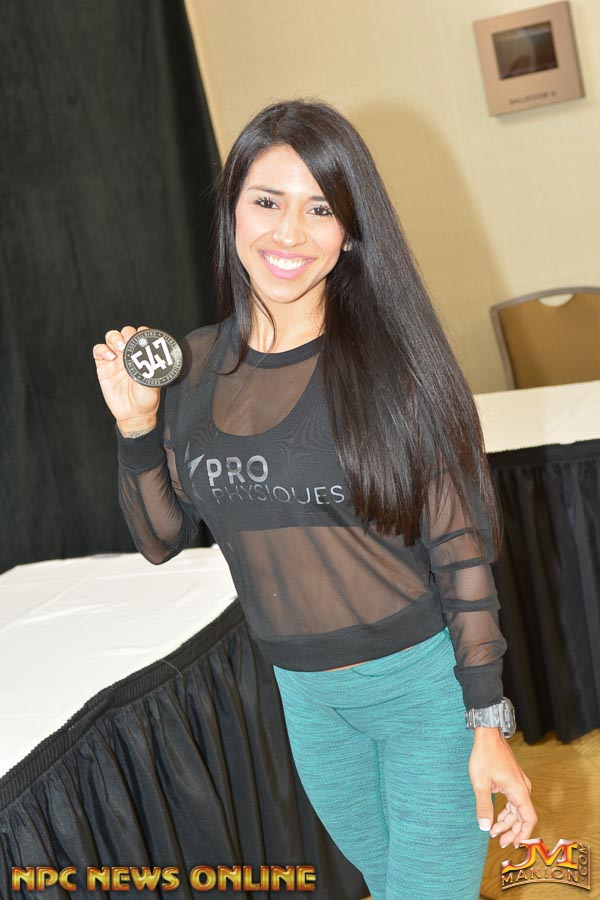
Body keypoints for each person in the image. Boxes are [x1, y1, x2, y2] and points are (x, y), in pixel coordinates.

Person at [93, 99, 536, 900]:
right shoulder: (194, 366)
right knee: (385, 884)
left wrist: (487, 721)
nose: (289, 233)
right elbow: (162, 538)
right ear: (232, 211)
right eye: (267, 201)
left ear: (350, 233)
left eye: (320, 208)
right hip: (308, 701)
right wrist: (136, 427)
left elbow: (460, 552)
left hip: (422, 695)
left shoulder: (395, 367)